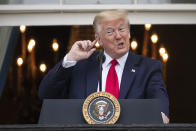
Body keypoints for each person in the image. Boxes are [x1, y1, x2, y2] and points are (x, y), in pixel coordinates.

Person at [39, 9, 169, 123]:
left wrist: (161, 116)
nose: (118, 36)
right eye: (110, 31)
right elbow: (46, 94)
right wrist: (70, 59)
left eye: (122, 29)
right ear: (99, 39)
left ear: (129, 33)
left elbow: (159, 101)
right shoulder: (80, 65)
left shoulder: (148, 67)